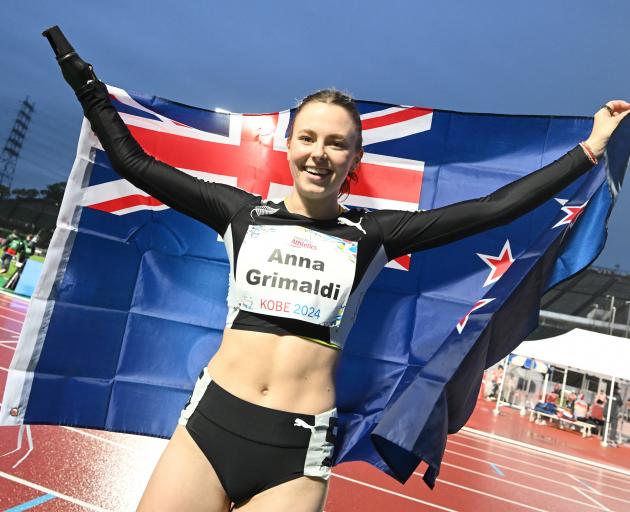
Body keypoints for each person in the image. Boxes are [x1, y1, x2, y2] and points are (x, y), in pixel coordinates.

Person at [43, 26, 630, 512]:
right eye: (308, 138)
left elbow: (492, 209)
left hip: (294, 459)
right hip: (209, 429)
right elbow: (135, 164)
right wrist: (85, 83)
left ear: (354, 158)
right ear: (289, 145)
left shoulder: (372, 235)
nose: (319, 153)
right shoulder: (240, 214)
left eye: (336, 143)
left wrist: (588, 150)